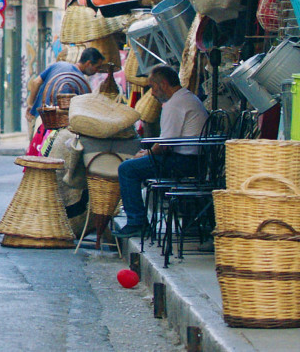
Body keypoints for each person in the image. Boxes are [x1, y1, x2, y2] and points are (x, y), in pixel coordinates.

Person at [113, 65, 209, 238]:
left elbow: (165, 145)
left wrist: (146, 154)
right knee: (133, 165)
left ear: (163, 84)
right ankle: (137, 220)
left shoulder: (175, 103)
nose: (152, 93)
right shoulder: (186, 98)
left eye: (153, 87)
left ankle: (137, 222)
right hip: (192, 159)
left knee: (127, 169)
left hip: (184, 162)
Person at [24, 47, 105, 132]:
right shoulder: (82, 83)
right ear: (88, 63)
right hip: (56, 128)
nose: (97, 71)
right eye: (97, 67)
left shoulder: (58, 65)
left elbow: (36, 82)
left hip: (38, 120)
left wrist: (30, 104)